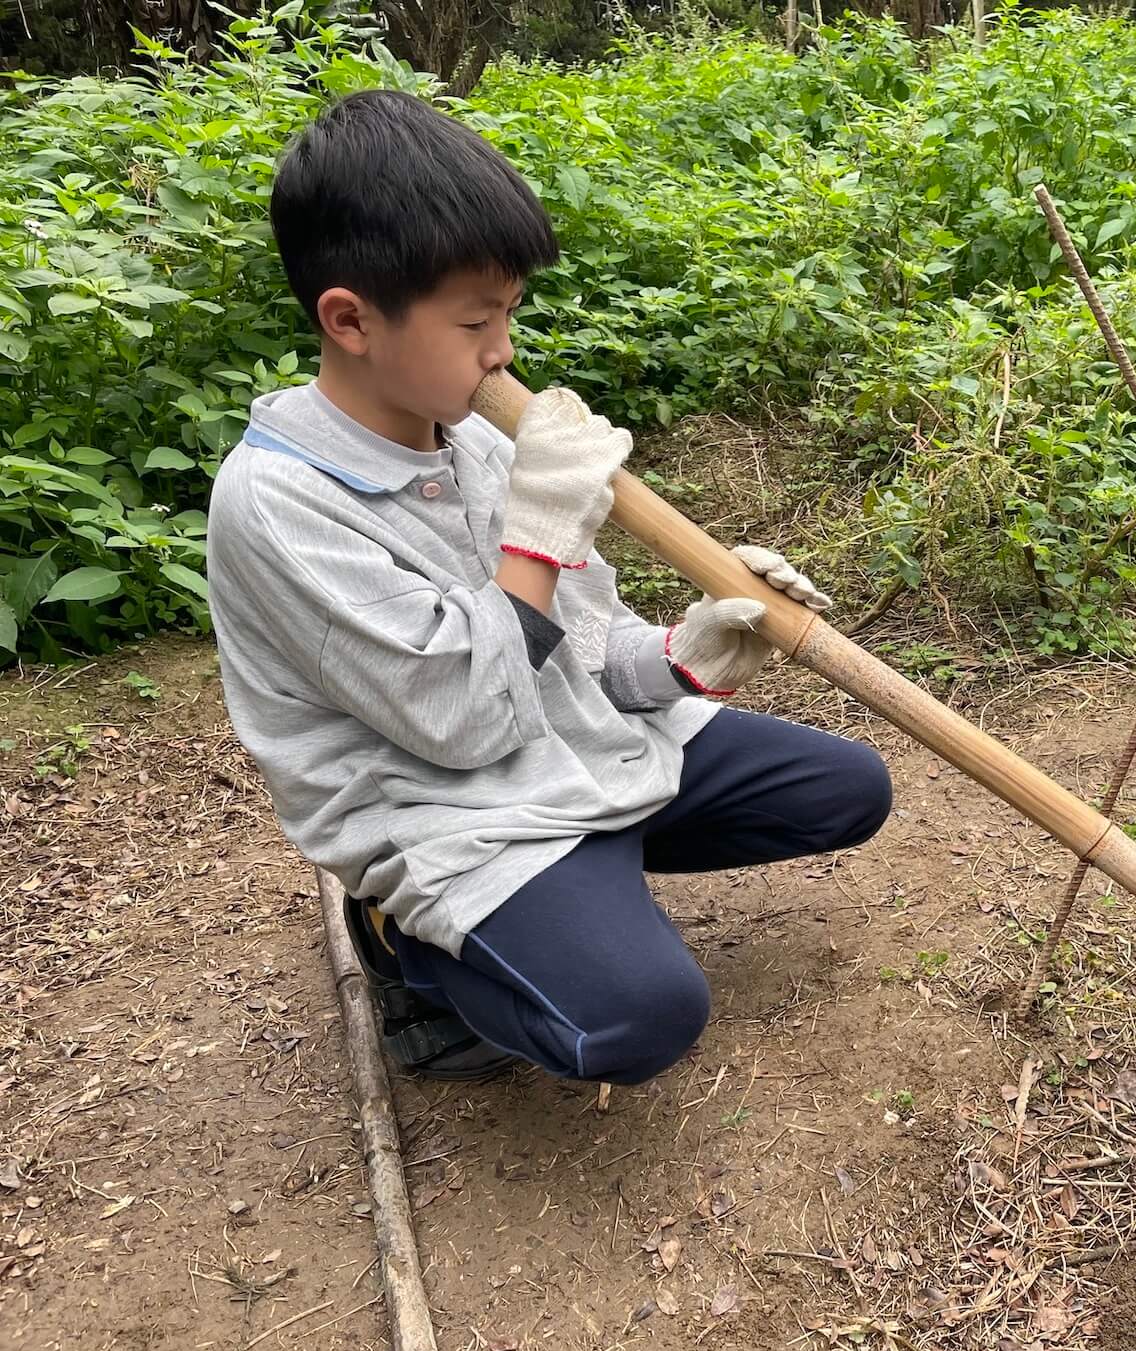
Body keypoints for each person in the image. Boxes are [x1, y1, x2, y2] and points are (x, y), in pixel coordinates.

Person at [206, 90, 892, 1083]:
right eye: (475, 321)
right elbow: (459, 721)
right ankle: (409, 946)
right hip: (450, 807)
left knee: (846, 790)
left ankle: (575, 893)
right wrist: (536, 535)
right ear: (350, 319)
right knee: (640, 1019)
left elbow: (581, 641)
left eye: (510, 313)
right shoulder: (278, 502)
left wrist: (682, 654)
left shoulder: (479, 442)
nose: (503, 352)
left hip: (570, 750)